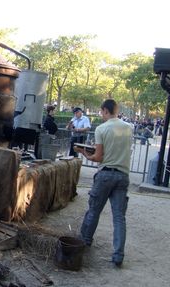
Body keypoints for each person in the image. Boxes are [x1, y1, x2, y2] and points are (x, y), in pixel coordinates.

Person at [74, 99, 133, 268]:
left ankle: (84, 243)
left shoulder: (102, 128)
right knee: (119, 217)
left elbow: (98, 157)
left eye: (101, 112)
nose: (101, 115)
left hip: (105, 174)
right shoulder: (128, 128)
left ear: (105, 111)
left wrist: (84, 152)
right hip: (123, 175)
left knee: (94, 211)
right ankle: (118, 255)